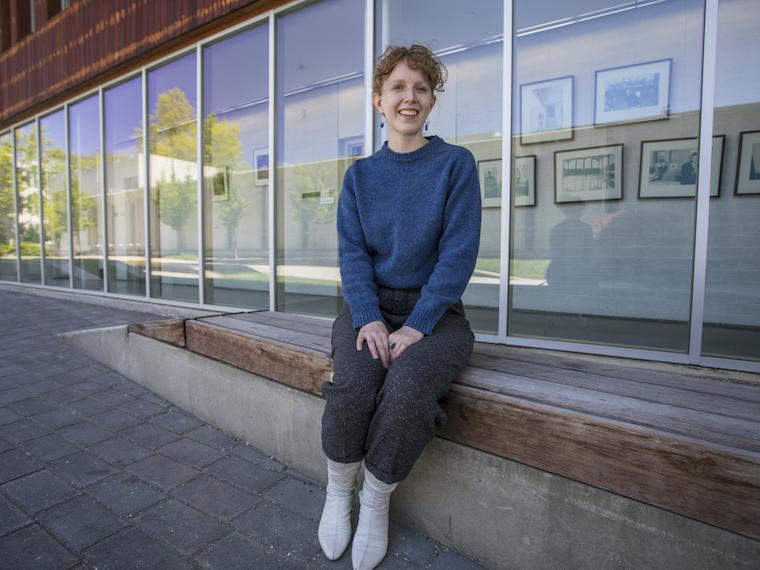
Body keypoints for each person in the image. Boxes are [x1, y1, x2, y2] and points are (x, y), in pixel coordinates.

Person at [318, 44, 481, 570]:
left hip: (437, 317)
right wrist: (367, 316)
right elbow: (352, 255)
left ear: (432, 100)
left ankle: (374, 502)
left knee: (408, 390)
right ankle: (338, 490)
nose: (408, 98)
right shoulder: (360, 176)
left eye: (421, 88)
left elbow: (458, 255)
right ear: (378, 101)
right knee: (354, 387)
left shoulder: (455, 164)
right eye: (397, 88)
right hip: (370, 309)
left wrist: (417, 326)